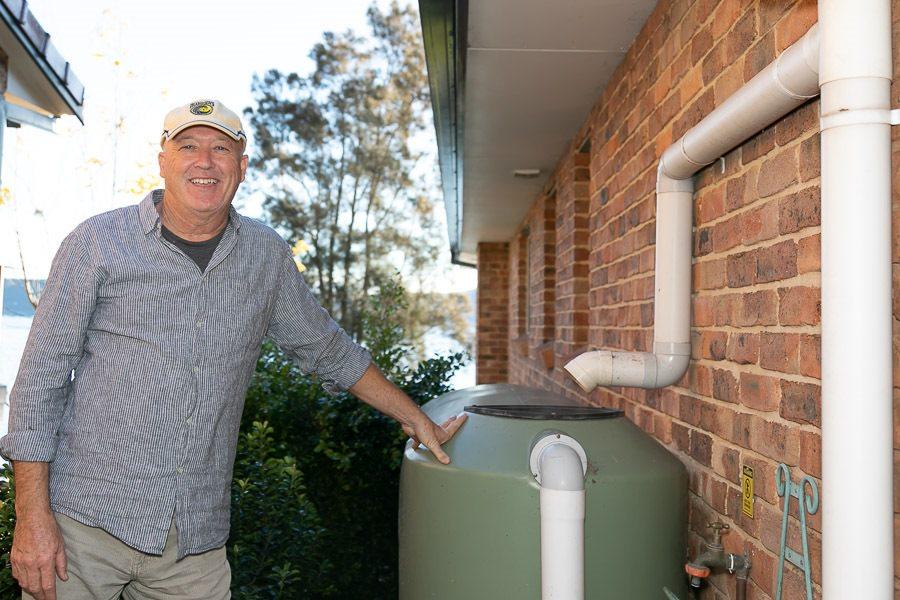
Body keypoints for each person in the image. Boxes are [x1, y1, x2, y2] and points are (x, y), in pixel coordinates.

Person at [0, 99, 466, 600]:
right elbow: (40, 383)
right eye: (188, 146)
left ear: (241, 168)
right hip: (82, 527)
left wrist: (415, 416)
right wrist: (32, 517)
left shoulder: (265, 256)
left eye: (221, 148)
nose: (205, 162)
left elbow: (328, 349)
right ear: (163, 161)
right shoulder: (95, 243)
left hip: (193, 546)